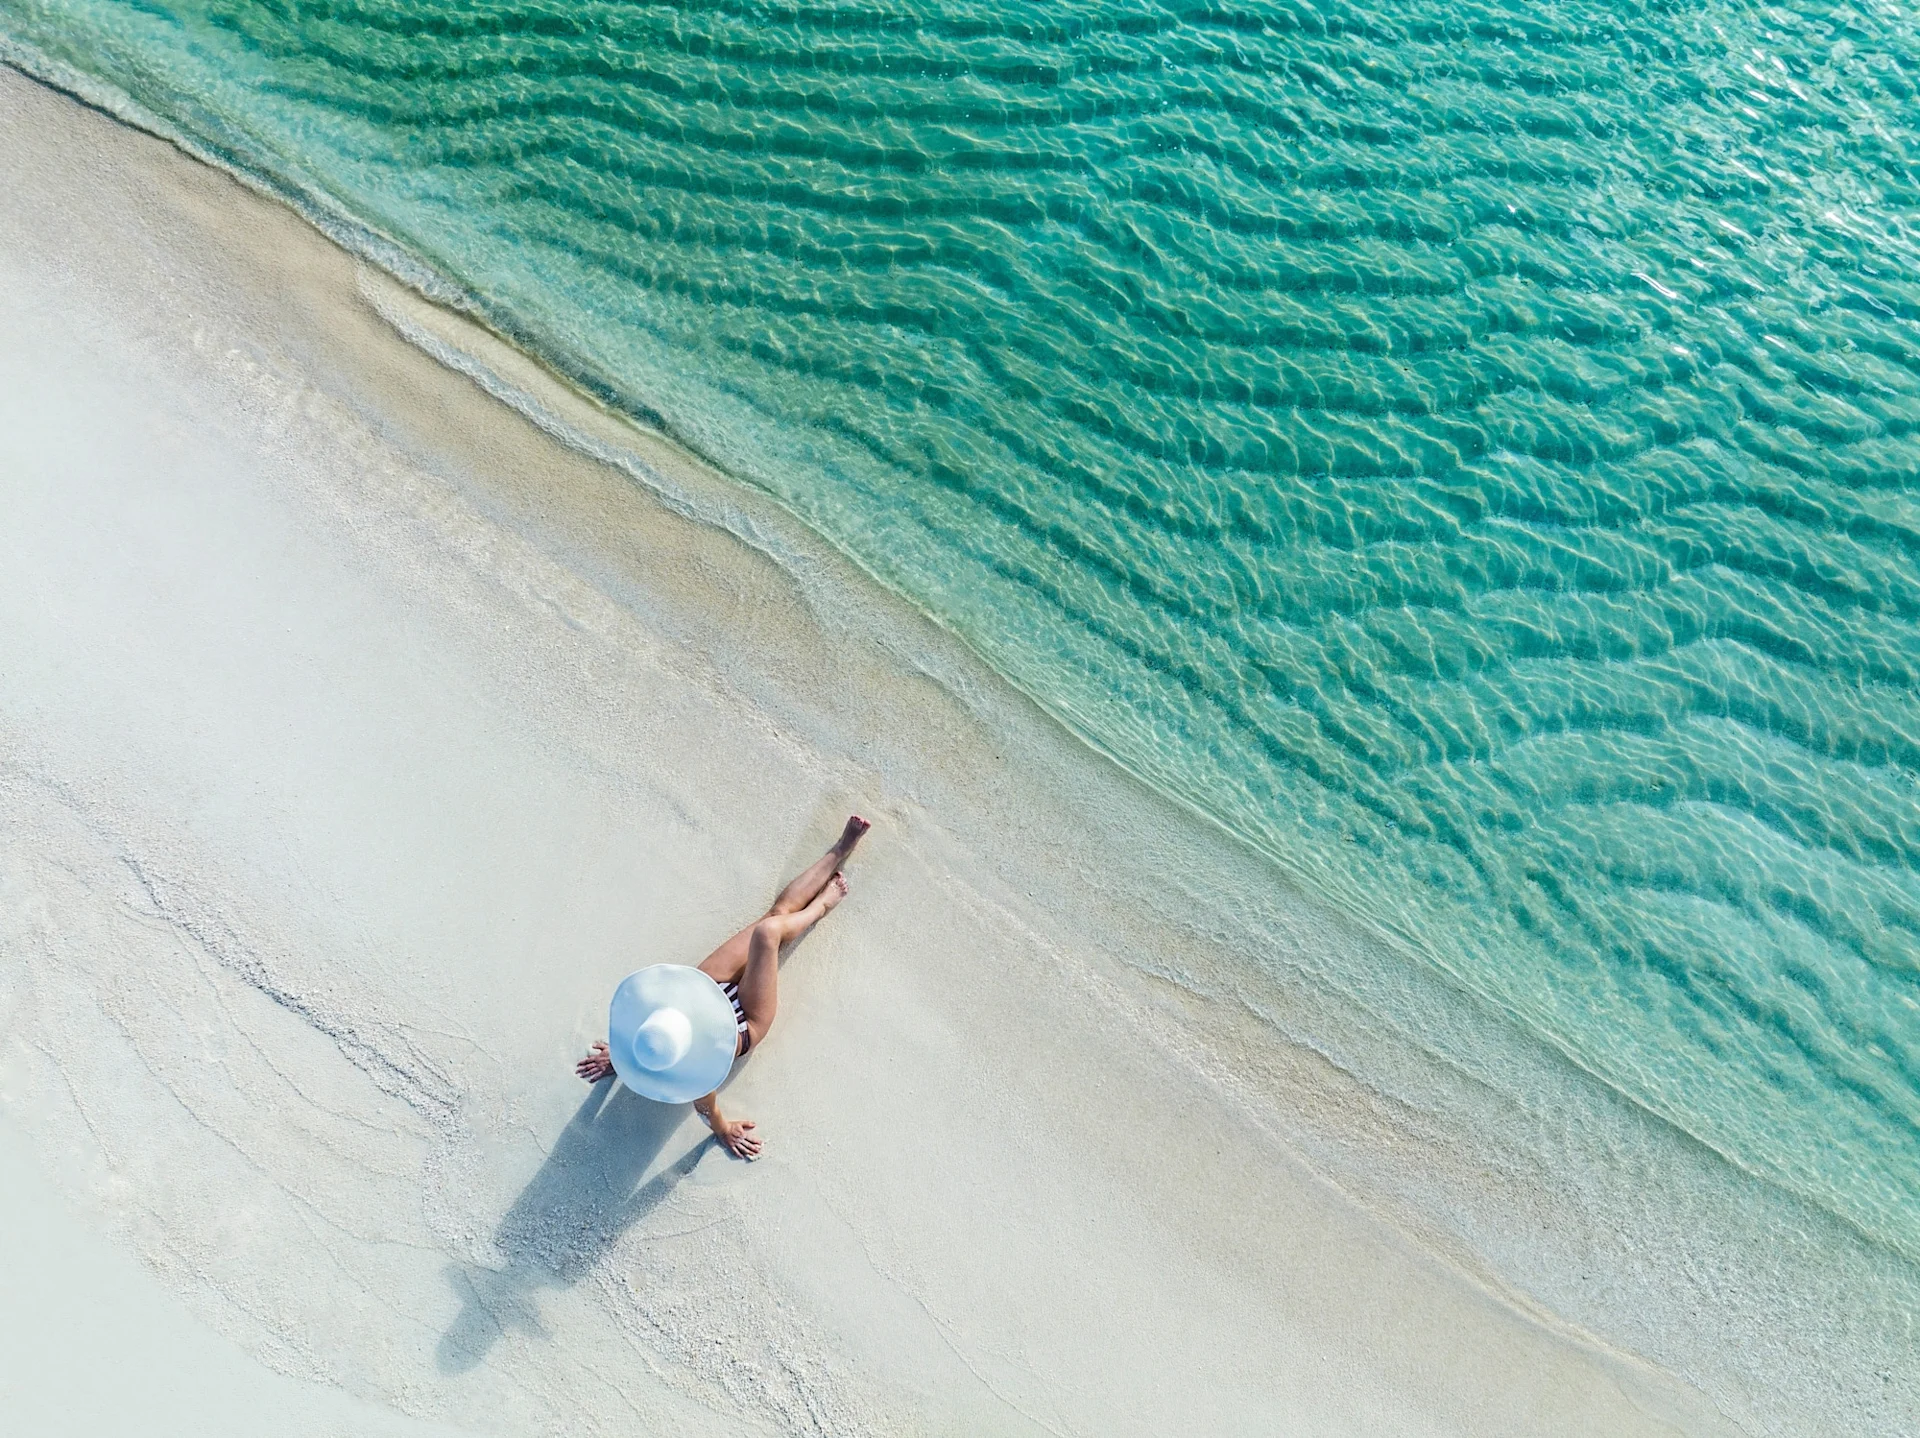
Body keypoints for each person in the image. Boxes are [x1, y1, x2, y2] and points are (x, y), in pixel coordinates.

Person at [575, 815, 870, 1157]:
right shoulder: (693, 1069)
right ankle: (819, 907)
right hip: (742, 1024)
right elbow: (707, 1109)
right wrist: (726, 1130)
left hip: (706, 989)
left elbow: (639, 1033)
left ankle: (839, 849)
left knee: (773, 916)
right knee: (768, 933)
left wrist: (623, 1058)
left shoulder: (649, 1030)